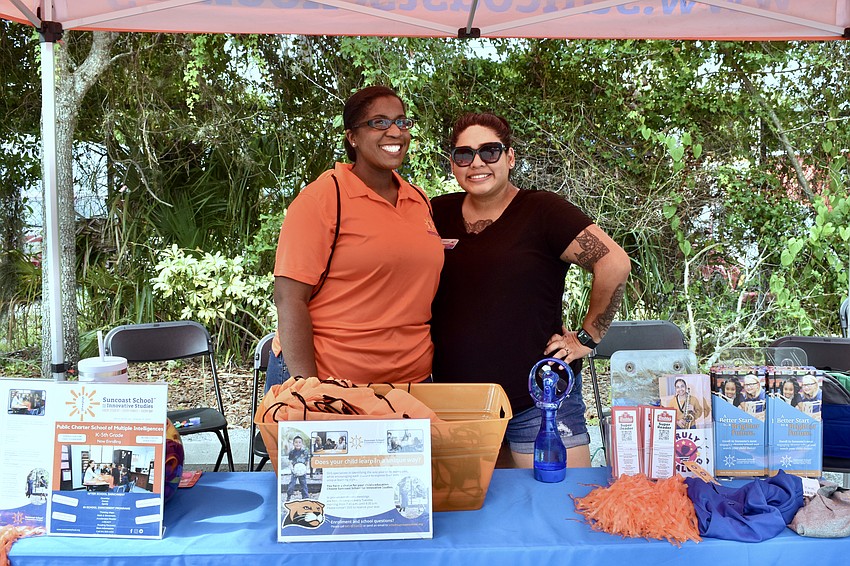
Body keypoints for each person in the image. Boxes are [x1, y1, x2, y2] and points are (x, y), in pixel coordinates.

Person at [430, 112, 631, 469]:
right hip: (459, 405)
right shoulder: (434, 213)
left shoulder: (542, 210)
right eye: (464, 154)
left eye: (489, 151)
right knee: (480, 520)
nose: (477, 163)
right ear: (453, 163)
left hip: (540, 399)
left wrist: (587, 338)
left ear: (510, 157)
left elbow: (614, 264)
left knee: (561, 511)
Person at [268, 85, 444, 387]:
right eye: (379, 122)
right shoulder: (323, 199)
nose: (395, 132)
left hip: (411, 382)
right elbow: (289, 299)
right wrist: (307, 388)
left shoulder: (419, 200)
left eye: (401, 122)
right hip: (330, 380)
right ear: (353, 137)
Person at [286, 436, 310, 501]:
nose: (298, 444)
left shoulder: (305, 452)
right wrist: (292, 469)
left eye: (299, 442)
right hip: (295, 471)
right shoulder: (292, 452)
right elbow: (290, 462)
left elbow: (307, 461)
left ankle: (306, 498)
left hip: (302, 471)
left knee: (304, 484)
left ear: (302, 443)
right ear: (293, 443)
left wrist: (306, 469)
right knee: (292, 484)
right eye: (296, 442)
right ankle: (288, 496)